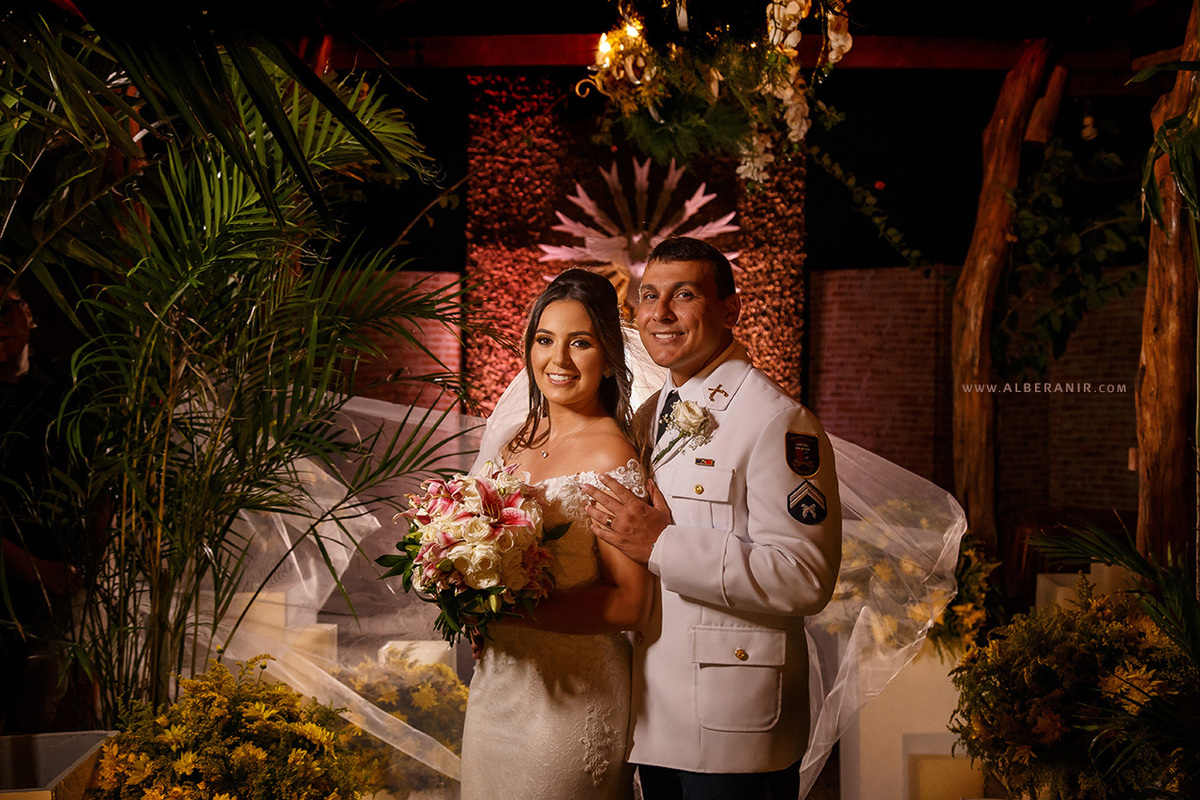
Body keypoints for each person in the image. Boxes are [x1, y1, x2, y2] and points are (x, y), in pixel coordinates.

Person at [582, 237, 843, 799]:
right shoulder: (651, 415)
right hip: (653, 711)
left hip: (734, 722)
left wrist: (664, 545)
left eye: (685, 295)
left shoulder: (777, 421)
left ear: (730, 309)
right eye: (649, 296)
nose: (661, 314)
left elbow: (806, 577)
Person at [459, 269, 653, 800]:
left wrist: (513, 610)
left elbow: (632, 604)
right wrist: (468, 596)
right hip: (498, 689)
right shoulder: (515, 443)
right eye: (545, 340)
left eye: (580, 343)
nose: (558, 361)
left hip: (572, 702)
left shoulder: (611, 456)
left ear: (610, 356)